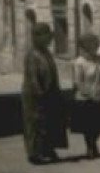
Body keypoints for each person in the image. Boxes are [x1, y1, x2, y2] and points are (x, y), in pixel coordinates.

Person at [20, 23, 68, 165]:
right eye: (47, 36)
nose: (50, 39)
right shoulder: (32, 55)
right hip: (35, 96)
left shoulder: (45, 52)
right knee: (36, 123)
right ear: (38, 37)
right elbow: (33, 77)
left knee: (50, 122)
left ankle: (48, 149)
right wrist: (40, 94)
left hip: (49, 93)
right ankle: (34, 153)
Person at [71, 33, 100, 159]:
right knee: (88, 126)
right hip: (86, 98)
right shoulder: (79, 62)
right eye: (92, 45)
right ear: (85, 47)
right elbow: (78, 82)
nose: (95, 47)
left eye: (96, 44)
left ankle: (93, 144)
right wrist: (89, 94)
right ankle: (91, 147)